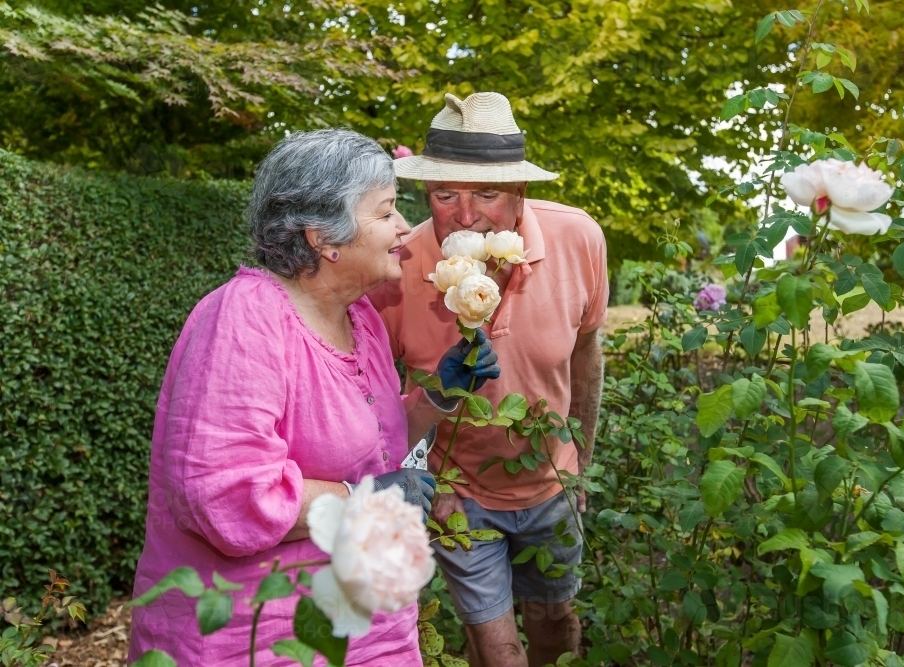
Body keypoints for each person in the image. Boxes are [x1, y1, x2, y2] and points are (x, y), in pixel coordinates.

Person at [128, 128, 500, 666]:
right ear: (322, 237)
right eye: (386, 211)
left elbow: (372, 444)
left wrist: (439, 395)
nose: (404, 229)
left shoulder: (361, 318)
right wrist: (363, 499)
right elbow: (224, 494)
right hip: (260, 636)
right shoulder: (244, 320)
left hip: (369, 627)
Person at [369, 92, 608, 667]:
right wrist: (432, 484)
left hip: (552, 484)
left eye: (486, 193)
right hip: (462, 495)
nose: (465, 214)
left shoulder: (578, 239)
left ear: (520, 191)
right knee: (499, 654)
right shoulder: (396, 266)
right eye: (445, 194)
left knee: (556, 631)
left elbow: (586, 356)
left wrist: (580, 464)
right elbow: (377, 407)